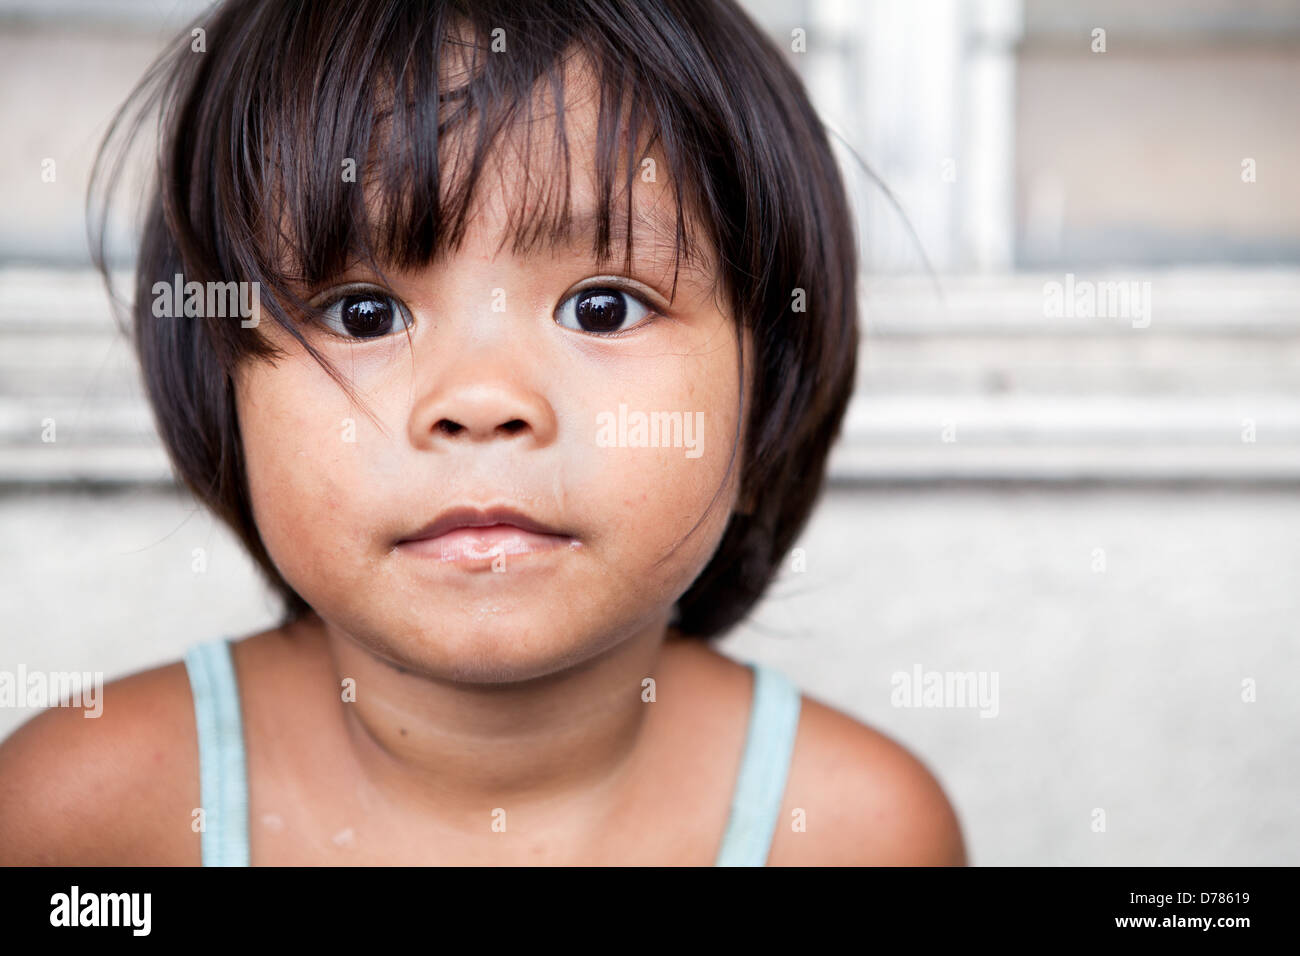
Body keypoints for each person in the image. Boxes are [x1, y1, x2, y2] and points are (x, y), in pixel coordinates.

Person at [0, 0, 965, 866]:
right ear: (224, 401)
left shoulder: (855, 831)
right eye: (365, 315)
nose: (481, 399)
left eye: (601, 308)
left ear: (766, 411)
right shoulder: (93, 809)